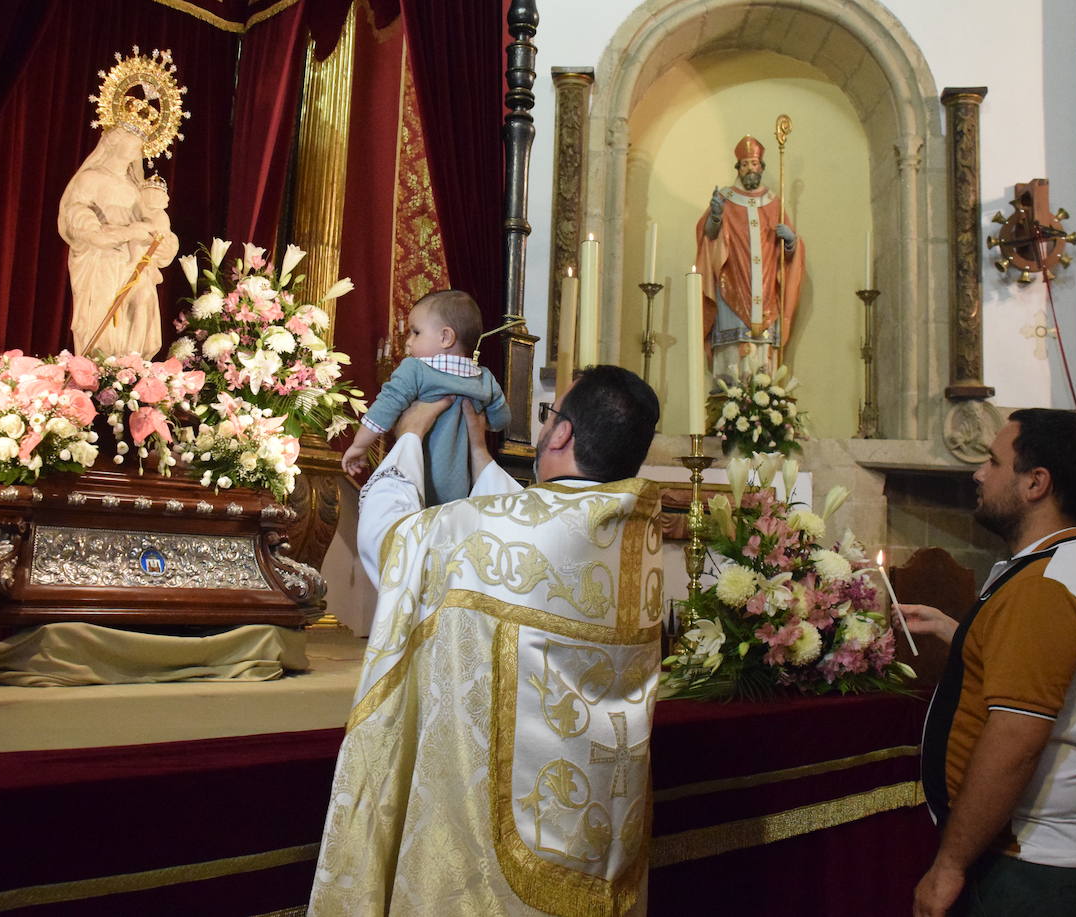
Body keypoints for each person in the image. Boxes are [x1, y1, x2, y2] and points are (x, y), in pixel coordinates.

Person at [310, 365, 664, 916]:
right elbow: (527, 526)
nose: (546, 429)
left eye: (550, 417)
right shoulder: (632, 537)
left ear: (563, 434)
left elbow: (393, 545)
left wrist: (405, 441)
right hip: (599, 823)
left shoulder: (509, 529)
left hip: (504, 850)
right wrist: (481, 458)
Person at [899, 409, 1076, 917]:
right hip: (1040, 860)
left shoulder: (1045, 587)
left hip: (1034, 869)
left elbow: (1014, 742)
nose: (978, 473)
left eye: (992, 461)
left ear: (1035, 483)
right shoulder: (1062, 564)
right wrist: (953, 631)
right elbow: (1036, 665)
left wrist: (949, 866)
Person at [340, 289, 510, 504]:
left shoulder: (415, 369)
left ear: (445, 337)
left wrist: (359, 446)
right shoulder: (485, 379)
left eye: (416, 332)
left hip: (414, 480)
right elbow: (500, 421)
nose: (408, 342)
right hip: (461, 491)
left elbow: (384, 409)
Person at [57, 126, 178, 359]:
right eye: (134, 138)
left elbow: (157, 224)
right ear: (114, 141)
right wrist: (127, 232)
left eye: (141, 140)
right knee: (102, 324)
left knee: (137, 318)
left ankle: (130, 374)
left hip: (137, 265)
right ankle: (101, 378)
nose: (138, 145)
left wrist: (164, 244)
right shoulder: (90, 179)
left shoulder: (138, 187)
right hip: (103, 263)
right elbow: (79, 220)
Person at [694, 135, 805, 380]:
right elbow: (708, 239)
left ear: (761, 167)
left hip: (766, 293)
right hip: (731, 286)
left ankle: (765, 401)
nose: (750, 169)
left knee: (762, 363)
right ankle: (726, 400)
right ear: (738, 168)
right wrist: (715, 217)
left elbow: (791, 255)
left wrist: (791, 241)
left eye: (754, 164)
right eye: (744, 164)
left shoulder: (775, 203)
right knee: (733, 359)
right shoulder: (724, 199)